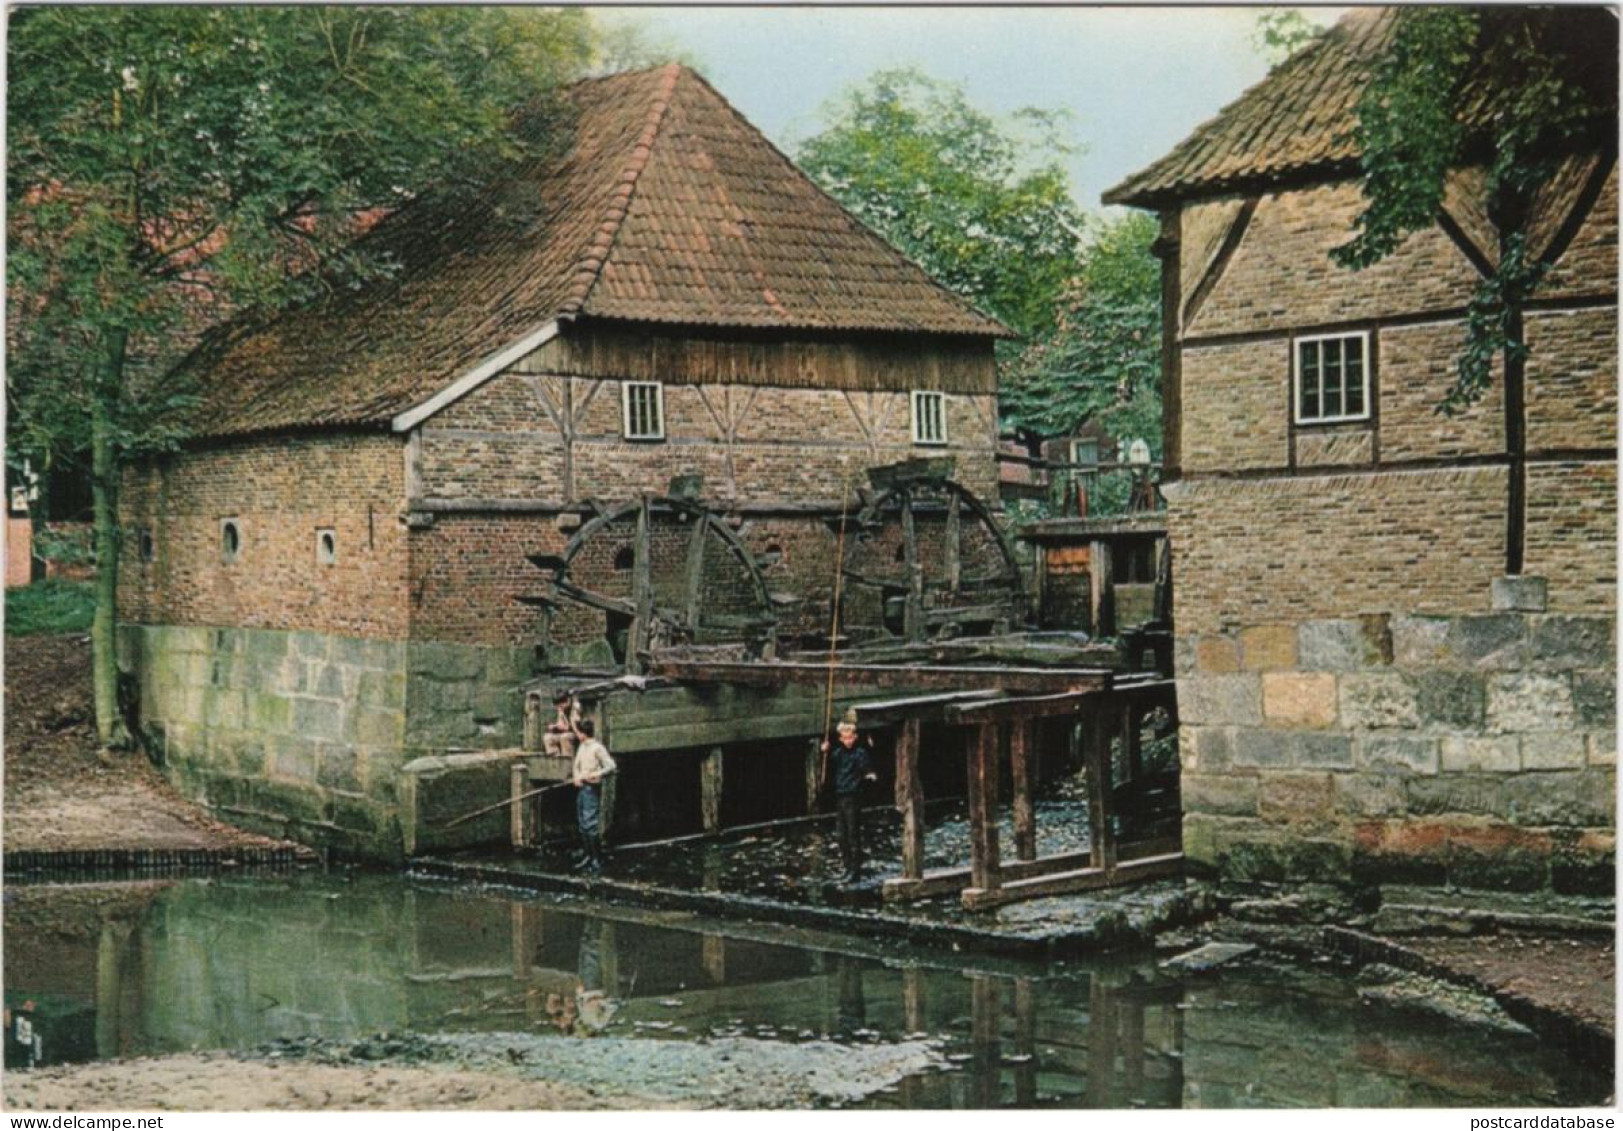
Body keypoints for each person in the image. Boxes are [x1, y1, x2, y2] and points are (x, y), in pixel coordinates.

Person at [821, 712, 878, 883]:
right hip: (841, 796)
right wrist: (824, 750)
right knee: (841, 835)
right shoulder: (838, 754)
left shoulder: (860, 754)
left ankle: (855, 870)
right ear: (840, 739)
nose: (848, 741)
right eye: (845, 738)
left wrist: (869, 775)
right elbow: (828, 764)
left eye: (850, 738)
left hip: (853, 797)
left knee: (853, 835)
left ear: (855, 737)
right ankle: (847, 867)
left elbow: (867, 768)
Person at [571, 718, 616, 874]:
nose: (578, 735)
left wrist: (595, 774)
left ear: (584, 734)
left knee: (591, 823)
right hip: (582, 788)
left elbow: (611, 766)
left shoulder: (597, 748)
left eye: (579, 732)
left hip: (592, 788)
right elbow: (576, 765)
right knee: (583, 822)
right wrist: (576, 776)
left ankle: (597, 858)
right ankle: (587, 855)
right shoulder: (582, 747)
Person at [543, 690, 577, 759]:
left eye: (561, 705)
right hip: (564, 732)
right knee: (547, 737)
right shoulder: (561, 710)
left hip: (574, 734)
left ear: (567, 701)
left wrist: (564, 727)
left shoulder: (575, 708)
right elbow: (560, 723)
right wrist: (554, 727)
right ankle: (555, 758)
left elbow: (575, 727)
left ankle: (567, 759)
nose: (559, 707)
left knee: (564, 737)